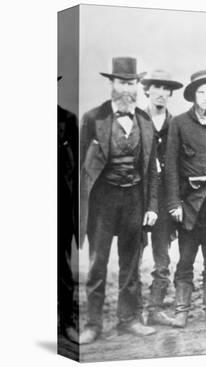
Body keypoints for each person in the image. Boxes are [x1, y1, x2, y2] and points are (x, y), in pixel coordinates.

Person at [79, 57, 159, 344]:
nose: (128, 89)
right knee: (98, 263)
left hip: (135, 200)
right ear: (111, 84)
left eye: (132, 83)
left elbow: (151, 167)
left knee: (131, 263)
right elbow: (81, 169)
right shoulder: (93, 118)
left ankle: (128, 320)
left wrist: (151, 206)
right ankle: (92, 324)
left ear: (138, 86)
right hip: (103, 201)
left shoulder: (145, 120)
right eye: (122, 82)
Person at [164, 70, 206, 328]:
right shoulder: (179, 123)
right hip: (189, 204)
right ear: (193, 96)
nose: (205, 97)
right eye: (201, 92)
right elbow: (171, 167)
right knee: (186, 258)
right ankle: (181, 309)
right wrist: (173, 204)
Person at [141, 69, 184, 326]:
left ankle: (155, 308)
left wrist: (173, 201)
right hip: (137, 197)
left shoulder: (174, 124)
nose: (160, 93)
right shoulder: (136, 120)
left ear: (170, 93)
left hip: (166, 198)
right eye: (155, 87)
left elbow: (176, 165)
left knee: (162, 257)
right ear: (146, 90)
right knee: (132, 255)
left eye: (165, 88)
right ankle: (130, 313)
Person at [58, 76, 79, 343]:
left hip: (59, 205)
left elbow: (75, 171)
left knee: (61, 267)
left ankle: (67, 322)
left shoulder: (67, 120)